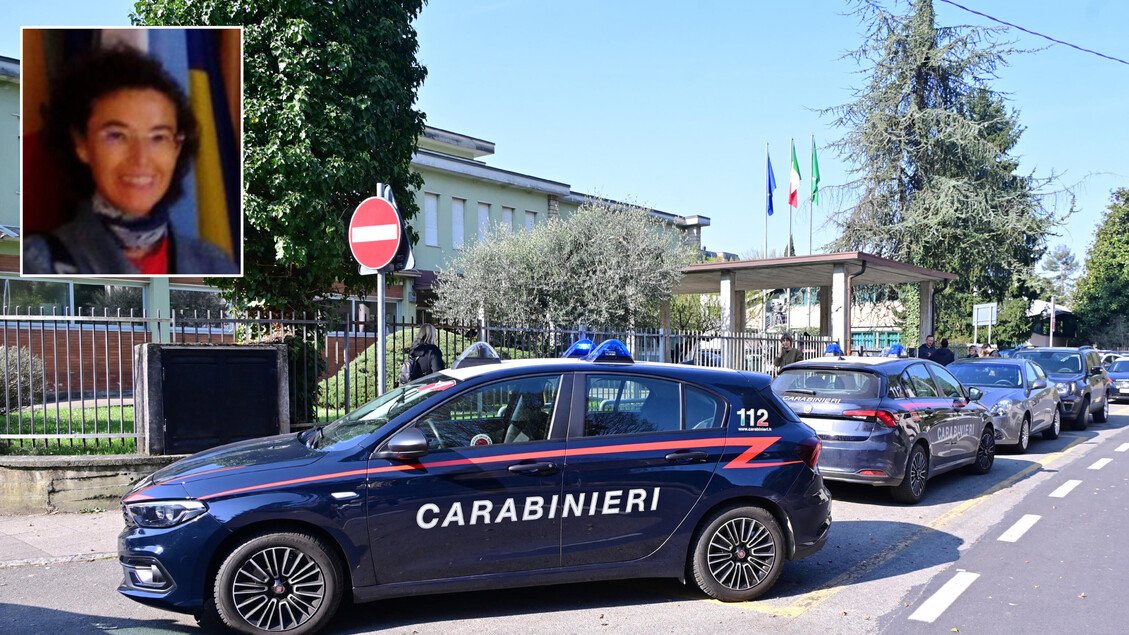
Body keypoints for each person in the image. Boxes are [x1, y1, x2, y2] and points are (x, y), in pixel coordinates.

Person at [23, 45, 237, 275]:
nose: (141, 159)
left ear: (177, 147)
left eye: (158, 137)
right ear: (82, 144)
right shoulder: (35, 264)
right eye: (117, 136)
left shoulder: (215, 265)